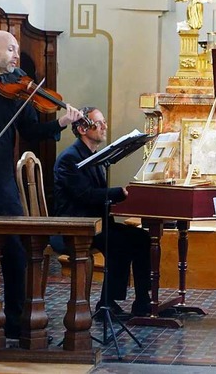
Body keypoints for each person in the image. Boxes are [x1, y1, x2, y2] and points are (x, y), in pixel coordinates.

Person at [0, 30, 82, 344]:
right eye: (10, 49)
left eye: (16, 50)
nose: (16, 55)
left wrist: (61, 124)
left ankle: (14, 325)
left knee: (16, 255)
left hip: (2, 184)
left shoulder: (18, 91)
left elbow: (31, 129)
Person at [53, 106, 152, 319]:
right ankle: (107, 305)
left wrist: (125, 197)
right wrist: (119, 193)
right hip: (76, 225)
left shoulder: (94, 155)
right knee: (118, 242)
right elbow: (84, 195)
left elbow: (96, 195)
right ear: (82, 128)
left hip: (97, 222)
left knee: (142, 238)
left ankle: (143, 303)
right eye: (98, 123)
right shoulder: (70, 158)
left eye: (103, 121)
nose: (104, 126)